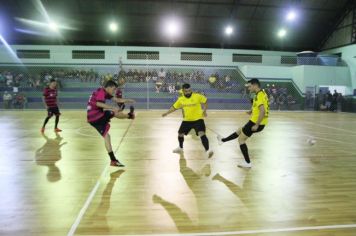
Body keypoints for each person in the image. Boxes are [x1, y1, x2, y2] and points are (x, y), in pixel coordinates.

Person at [217, 78, 269, 168]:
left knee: (241, 140)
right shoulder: (261, 93)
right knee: (240, 129)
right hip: (256, 121)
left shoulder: (259, 95)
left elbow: (262, 111)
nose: (248, 88)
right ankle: (222, 140)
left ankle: (248, 163)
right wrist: (251, 111)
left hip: (256, 123)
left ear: (255, 85)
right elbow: (258, 106)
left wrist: (256, 125)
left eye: (249, 86)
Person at [87, 80, 135, 167]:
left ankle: (113, 160)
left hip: (94, 118)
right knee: (113, 113)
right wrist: (112, 108)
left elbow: (117, 99)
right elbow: (98, 103)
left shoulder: (103, 92)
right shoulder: (101, 91)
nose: (114, 91)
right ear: (108, 87)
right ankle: (130, 116)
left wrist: (127, 100)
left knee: (107, 136)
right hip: (96, 117)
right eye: (113, 89)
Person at [162, 83, 214, 158]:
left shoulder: (197, 96)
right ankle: (180, 148)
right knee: (180, 133)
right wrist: (166, 113)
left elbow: (205, 101)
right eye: (186, 91)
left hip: (198, 119)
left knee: (201, 133)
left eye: (189, 90)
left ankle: (208, 150)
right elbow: (174, 107)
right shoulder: (181, 99)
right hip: (187, 120)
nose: (188, 92)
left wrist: (204, 111)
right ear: (183, 91)